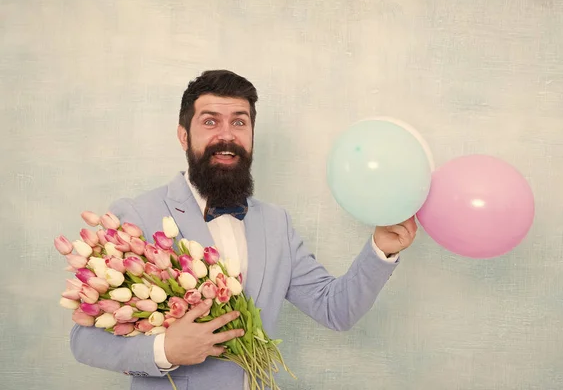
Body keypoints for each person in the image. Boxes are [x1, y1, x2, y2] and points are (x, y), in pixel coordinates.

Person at [69, 69, 418, 389]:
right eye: (210, 122)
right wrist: (165, 349)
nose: (226, 135)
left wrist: (381, 250)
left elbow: (335, 310)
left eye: (239, 123)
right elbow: (84, 341)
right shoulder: (136, 214)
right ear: (183, 135)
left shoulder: (276, 222)